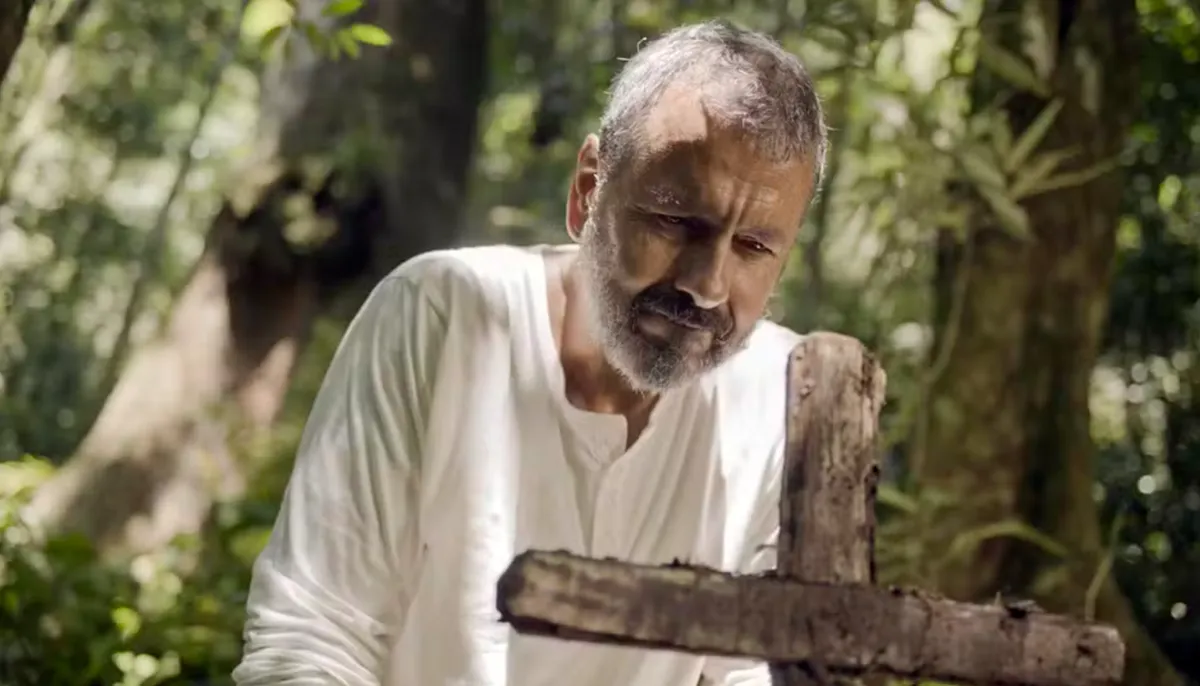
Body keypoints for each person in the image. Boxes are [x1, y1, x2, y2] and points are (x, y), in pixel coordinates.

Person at [233, 18, 826, 686]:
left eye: (753, 246)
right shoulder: (445, 315)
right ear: (588, 191)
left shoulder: (783, 398)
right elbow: (313, 636)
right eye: (675, 220)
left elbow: (761, 670)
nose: (707, 284)